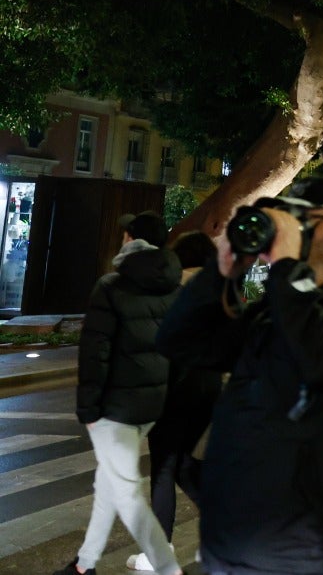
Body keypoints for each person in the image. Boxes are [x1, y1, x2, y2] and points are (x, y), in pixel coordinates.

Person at [158, 179, 323, 575]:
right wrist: (219, 272)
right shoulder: (279, 307)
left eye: (310, 221)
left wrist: (289, 269)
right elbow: (181, 342)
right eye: (290, 219)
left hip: (316, 552)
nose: (297, 230)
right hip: (237, 545)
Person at [56, 212, 184, 575]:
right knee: (109, 483)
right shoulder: (174, 290)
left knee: (126, 496)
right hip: (152, 405)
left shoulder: (111, 286)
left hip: (116, 408)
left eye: (125, 234)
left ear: (130, 239)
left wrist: (89, 411)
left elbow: (94, 353)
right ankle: (85, 565)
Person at [130, 232, 224, 573]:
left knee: (165, 467)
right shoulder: (218, 293)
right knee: (182, 462)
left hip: (174, 387)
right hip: (209, 387)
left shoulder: (171, 294)